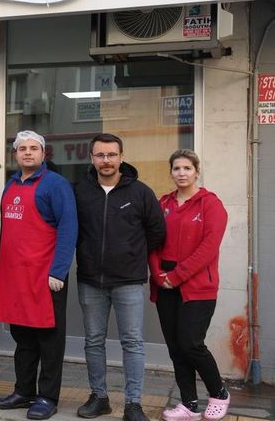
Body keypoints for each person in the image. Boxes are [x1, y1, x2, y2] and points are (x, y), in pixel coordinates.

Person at [74, 133, 166, 421]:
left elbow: (157, 231)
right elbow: (70, 229)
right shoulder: (81, 191)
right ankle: (99, 397)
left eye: (111, 155)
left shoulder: (140, 192)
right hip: (91, 280)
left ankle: (134, 404)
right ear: (92, 158)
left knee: (133, 342)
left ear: (121, 157)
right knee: (93, 341)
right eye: (100, 155)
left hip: (128, 281)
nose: (106, 160)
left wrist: (131, 254)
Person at [0, 131, 78, 420]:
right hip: (16, 277)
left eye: (33, 148)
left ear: (43, 153)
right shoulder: (10, 185)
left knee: (49, 341)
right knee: (23, 339)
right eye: (22, 149)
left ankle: (47, 396)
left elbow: (69, 228)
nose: (27, 153)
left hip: (45, 278)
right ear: (15, 154)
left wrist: (59, 270)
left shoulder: (56, 185)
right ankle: (23, 391)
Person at [149, 150, 230, 421]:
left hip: (197, 285)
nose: (181, 173)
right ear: (170, 172)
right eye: (176, 168)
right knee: (175, 346)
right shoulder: (163, 203)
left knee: (191, 344)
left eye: (187, 168)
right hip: (165, 284)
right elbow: (153, 240)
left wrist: (178, 275)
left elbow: (208, 248)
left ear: (197, 171)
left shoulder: (211, 204)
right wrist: (158, 273)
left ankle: (219, 393)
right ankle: (189, 405)